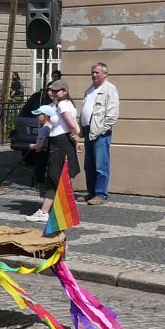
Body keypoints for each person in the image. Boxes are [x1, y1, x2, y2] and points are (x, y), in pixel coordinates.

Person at [27, 79, 81, 222]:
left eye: (57, 90)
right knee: (53, 178)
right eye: (52, 90)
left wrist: (76, 138)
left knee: (57, 178)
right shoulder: (62, 104)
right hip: (59, 143)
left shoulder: (63, 104)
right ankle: (45, 212)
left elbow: (73, 125)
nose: (53, 93)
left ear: (65, 91)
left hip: (61, 145)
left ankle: (67, 211)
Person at [80, 62, 120, 205]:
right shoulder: (90, 89)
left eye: (97, 72)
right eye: (92, 72)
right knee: (89, 165)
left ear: (105, 74)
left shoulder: (110, 89)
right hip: (87, 131)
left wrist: (101, 130)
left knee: (100, 166)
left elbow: (112, 114)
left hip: (100, 133)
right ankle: (91, 192)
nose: (94, 75)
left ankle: (101, 194)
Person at [27, 103, 55, 196]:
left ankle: (44, 197)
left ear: (45, 116)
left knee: (40, 176)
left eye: (38, 115)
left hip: (41, 155)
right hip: (48, 155)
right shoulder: (52, 127)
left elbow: (39, 145)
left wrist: (32, 146)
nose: (36, 117)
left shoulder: (44, 129)